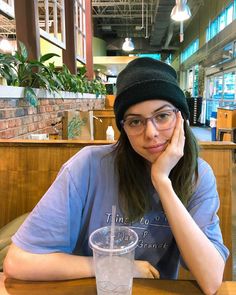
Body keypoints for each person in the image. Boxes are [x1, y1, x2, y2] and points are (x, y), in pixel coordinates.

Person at [4, 57, 229, 294]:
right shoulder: (88, 166)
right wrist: (115, 266)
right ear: (124, 128)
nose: (151, 133)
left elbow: (211, 279)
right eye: (135, 121)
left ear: (181, 118)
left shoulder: (198, 176)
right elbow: (18, 261)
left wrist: (162, 182)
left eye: (162, 116)